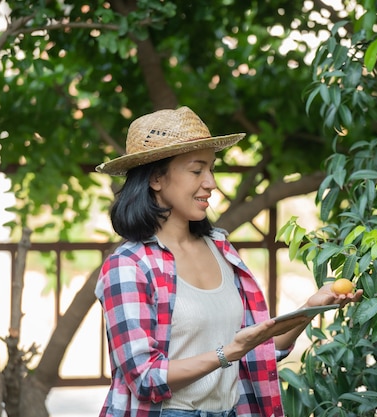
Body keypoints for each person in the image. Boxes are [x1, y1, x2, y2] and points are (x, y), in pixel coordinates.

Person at [94, 106, 363, 417]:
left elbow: (255, 354)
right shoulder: (127, 266)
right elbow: (145, 379)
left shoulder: (220, 248)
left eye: (211, 169)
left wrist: (310, 309)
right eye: (197, 170)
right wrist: (227, 353)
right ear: (156, 178)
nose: (211, 183)